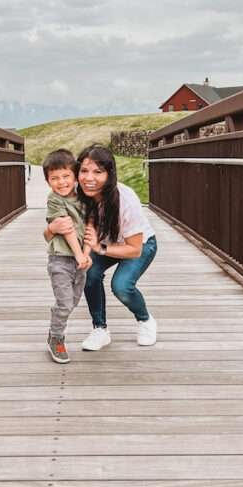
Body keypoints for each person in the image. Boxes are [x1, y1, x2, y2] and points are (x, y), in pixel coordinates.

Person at [46, 143, 157, 350]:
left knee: (121, 286)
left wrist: (100, 249)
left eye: (98, 172)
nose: (89, 178)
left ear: (110, 173)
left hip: (137, 245)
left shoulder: (125, 199)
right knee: (89, 273)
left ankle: (145, 320)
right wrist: (51, 229)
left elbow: (135, 249)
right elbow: (54, 230)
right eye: (84, 171)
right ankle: (100, 329)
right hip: (101, 244)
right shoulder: (74, 191)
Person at [42, 149, 93, 364]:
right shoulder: (54, 200)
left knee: (72, 302)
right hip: (61, 259)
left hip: (81, 260)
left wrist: (87, 255)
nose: (61, 182)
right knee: (64, 303)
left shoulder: (85, 198)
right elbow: (67, 228)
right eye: (54, 178)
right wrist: (80, 254)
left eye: (66, 176)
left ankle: (55, 329)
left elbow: (92, 227)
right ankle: (56, 337)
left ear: (75, 176)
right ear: (47, 181)